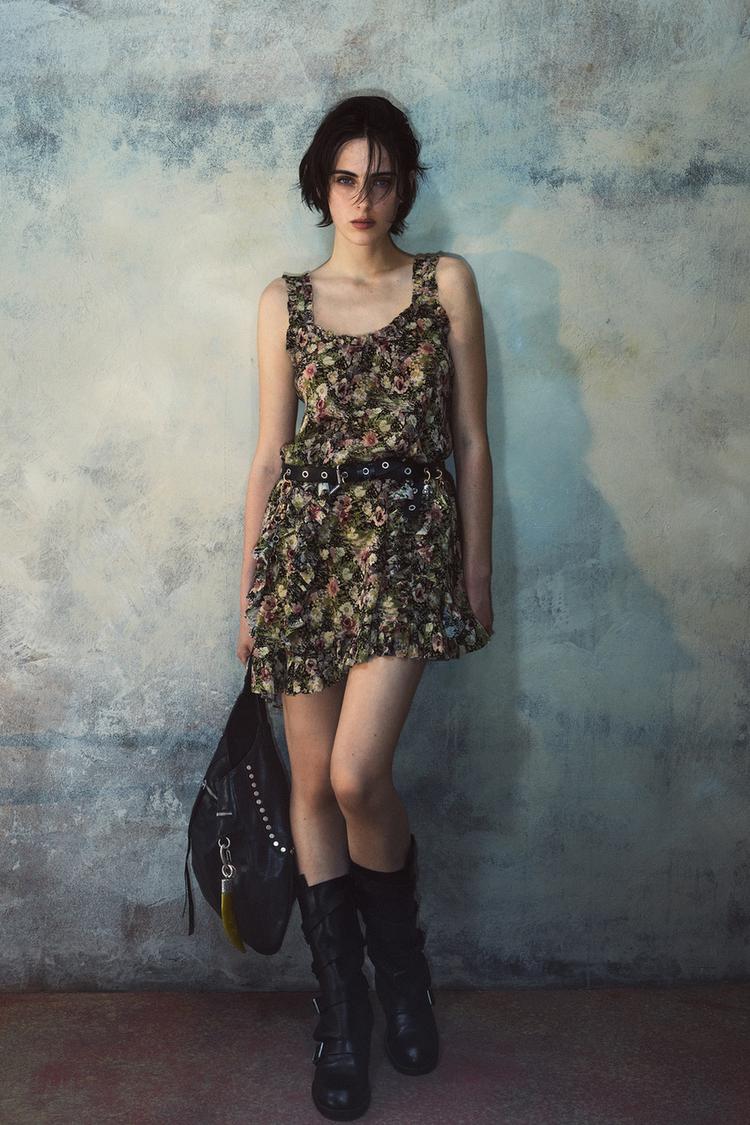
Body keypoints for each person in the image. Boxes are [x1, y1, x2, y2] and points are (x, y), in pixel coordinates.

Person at [236, 94, 494, 1121]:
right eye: (345, 178)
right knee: (311, 783)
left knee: (355, 775)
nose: (362, 198)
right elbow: (268, 454)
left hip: (407, 551)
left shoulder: (444, 283)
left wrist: (477, 568)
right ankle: (343, 1011)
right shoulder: (284, 301)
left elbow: (470, 439)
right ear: (321, 184)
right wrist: (249, 592)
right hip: (304, 554)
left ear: (405, 186)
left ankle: (405, 972)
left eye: (381, 180)